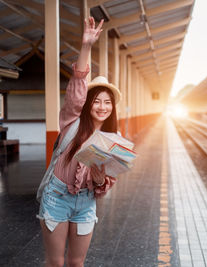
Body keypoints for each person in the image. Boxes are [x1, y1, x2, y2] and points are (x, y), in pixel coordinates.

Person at [36, 17, 122, 267]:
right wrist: (86, 45)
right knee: (55, 263)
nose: (102, 106)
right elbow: (79, 80)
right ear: (87, 103)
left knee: (76, 263)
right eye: (97, 100)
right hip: (57, 197)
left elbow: (105, 186)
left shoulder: (113, 140)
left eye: (108, 102)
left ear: (112, 108)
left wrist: (98, 178)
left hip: (86, 202)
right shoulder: (73, 118)